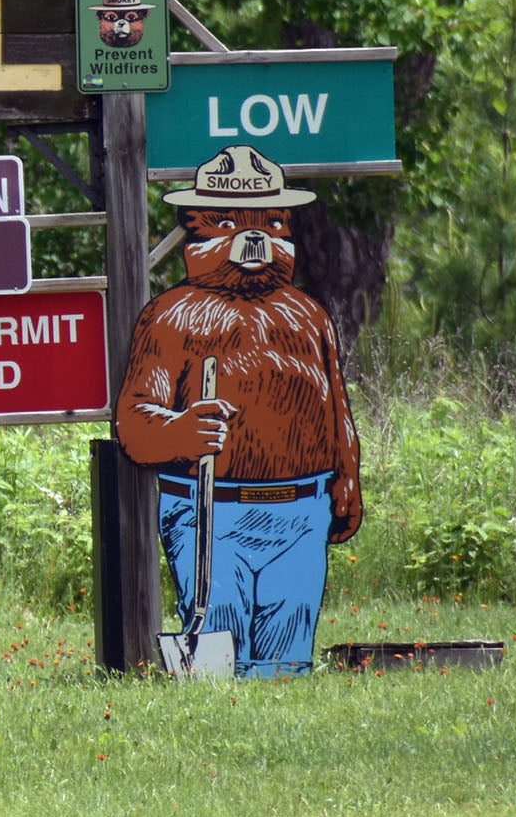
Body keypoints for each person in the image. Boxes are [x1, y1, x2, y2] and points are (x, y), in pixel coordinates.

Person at [113, 145, 362, 676]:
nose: (255, 242)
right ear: (195, 233)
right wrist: (180, 430)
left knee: (287, 646)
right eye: (228, 224)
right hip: (209, 510)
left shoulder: (308, 315)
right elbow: (135, 421)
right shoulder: (170, 316)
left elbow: (335, 404)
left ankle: (280, 731)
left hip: (301, 509)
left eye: (272, 224)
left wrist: (347, 474)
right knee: (218, 641)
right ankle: (216, 728)